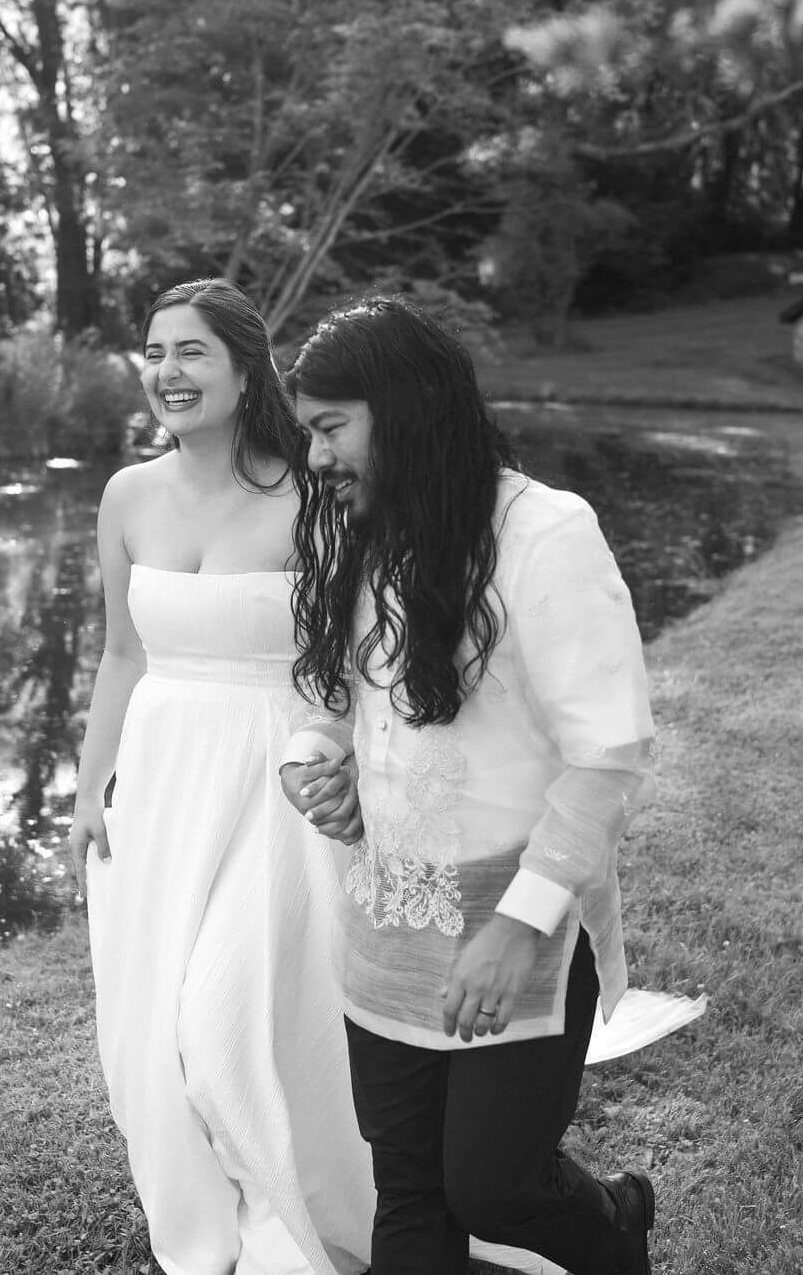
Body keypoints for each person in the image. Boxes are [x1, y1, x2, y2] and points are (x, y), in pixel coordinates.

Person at [278, 296, 662, 1275]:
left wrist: (516, 926)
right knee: (408, 1188)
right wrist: (315, 762)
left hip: (517, 925)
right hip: (388, 913)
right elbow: (327, 698)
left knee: (489, 1185)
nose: (316, 459)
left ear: (402, 413)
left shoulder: (543, 536)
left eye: (330, 429)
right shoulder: (350, 531)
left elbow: (605, 753)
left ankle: (613, 1230)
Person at [68, 279, 374, 1275]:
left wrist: (338, 759)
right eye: (153, 351)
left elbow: (352, 664)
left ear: (245, 372)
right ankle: (205, 1237)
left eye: (191, 351)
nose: (165, 370)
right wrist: (87, 787)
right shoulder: (127, 495)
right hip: (156, 784)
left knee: (226, 1018)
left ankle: (294, 1221)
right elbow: (120, 654)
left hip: (268, 785)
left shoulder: (312, 495)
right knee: (149, 1040)